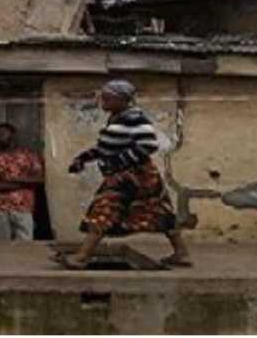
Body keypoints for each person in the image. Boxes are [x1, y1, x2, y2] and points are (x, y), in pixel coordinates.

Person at [58, 79, 192, 269]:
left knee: (103, 210)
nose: (103, 101)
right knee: (160, 212)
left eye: (108, 98)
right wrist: (83, 158)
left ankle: (82, 257)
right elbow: (106, 147)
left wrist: (119, 163)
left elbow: (148, 145)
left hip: (133, 176)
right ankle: (181, 253)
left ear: (122, 99)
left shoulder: (134, 118)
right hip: (135, 176)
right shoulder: (117, 118)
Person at [0, 122, 45, 242]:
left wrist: (12, 179)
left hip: (24, 208)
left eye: (3, 133)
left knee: (25, 246)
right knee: (3, 246)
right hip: (2, 208)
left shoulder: (29, 156)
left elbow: (39, 179)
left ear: (13, 135)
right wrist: (26, 183)